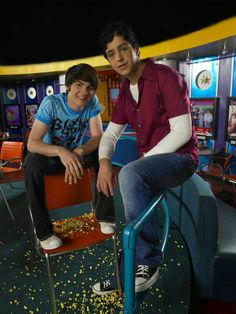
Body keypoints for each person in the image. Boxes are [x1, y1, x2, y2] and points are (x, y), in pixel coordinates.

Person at [92, 21, 199, 295]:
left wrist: (139, 164)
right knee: (131, 211)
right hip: (151, 165)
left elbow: (182, 132)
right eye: (111, 54)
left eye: (123, 49)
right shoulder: (126, 92)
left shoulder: (166, 77)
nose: (118, 58)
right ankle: (124, 278)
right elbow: (110, 135)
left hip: (182, 158)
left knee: (130, 173)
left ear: (136, 48)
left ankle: (148, 262)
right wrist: (104, 162)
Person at [24, 63, 115, 251]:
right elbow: (33, 143)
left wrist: (80, 151)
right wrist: (60, 151)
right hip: (51, 157)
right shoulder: (52, 103)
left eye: (90, 88)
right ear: (68, 86)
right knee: (31, 161)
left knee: (102, 153)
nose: (84, 92)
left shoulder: (92, 102)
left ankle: (105, 217)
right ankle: (44, 232)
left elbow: (98, 136)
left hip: (76, 156)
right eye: (79, 85)